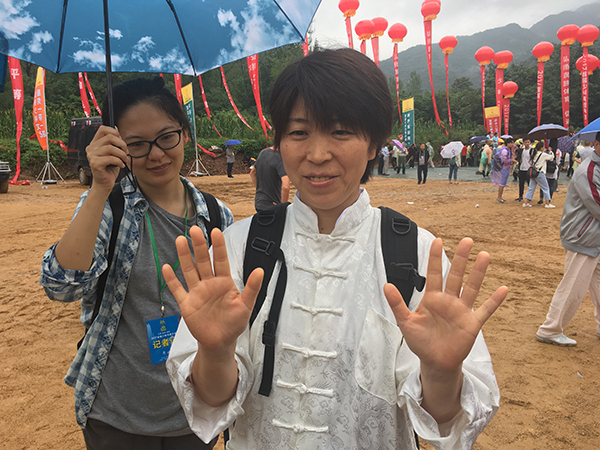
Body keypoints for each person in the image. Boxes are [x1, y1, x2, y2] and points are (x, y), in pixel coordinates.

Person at [164, 48, 506, 450]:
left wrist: (441, 372)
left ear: (374, 144)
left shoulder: (414, 254)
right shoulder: (240, 247)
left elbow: (447, 419)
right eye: (299, 133)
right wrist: (216, 351)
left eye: (341, 132)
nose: (317, 154)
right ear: (279, 142)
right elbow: (211, 400)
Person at [39, 77, 233, 449]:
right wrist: (99, 187)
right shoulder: (107, 208)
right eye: (137, 144)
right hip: (117, 415)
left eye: (166, 137)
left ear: (185, 133)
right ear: (117, 146)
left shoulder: (215, 215)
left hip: (195, 410)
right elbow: (61, 287)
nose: (156, 154)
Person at [536, 132, 600, 346]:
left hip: (594, 237)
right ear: (596, 144)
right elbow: (598, 205)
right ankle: (550, 329)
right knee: (574, 286)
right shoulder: (588, 170)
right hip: (584, 237)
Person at [249, 146, 290, 212]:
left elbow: (252, 173)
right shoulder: (280, 157)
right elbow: (285, 187)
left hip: (259, 202)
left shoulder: (263, 153)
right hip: (272, 205)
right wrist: (282, 208)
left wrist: (259, 190)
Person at [523, 141, 555, 208]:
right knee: (546, 188)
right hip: (540, 173)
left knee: (531, 188)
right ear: (542, 148)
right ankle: (547, 203)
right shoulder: (543, 154)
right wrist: (550, 151)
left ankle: (525, 202)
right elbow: (552, 158)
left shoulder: (534, 153)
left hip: (533, 173)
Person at [491, 138, 515, 203]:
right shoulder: (505, 151)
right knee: (502, 183)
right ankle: (499, 198)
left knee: (502, 183)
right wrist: (511, 160)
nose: (513, 144)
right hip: (504, 168)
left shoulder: (505, 150)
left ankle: (499, 197)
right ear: (508, 143)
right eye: (512, 143)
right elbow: (505, 160)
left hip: (504, 168)